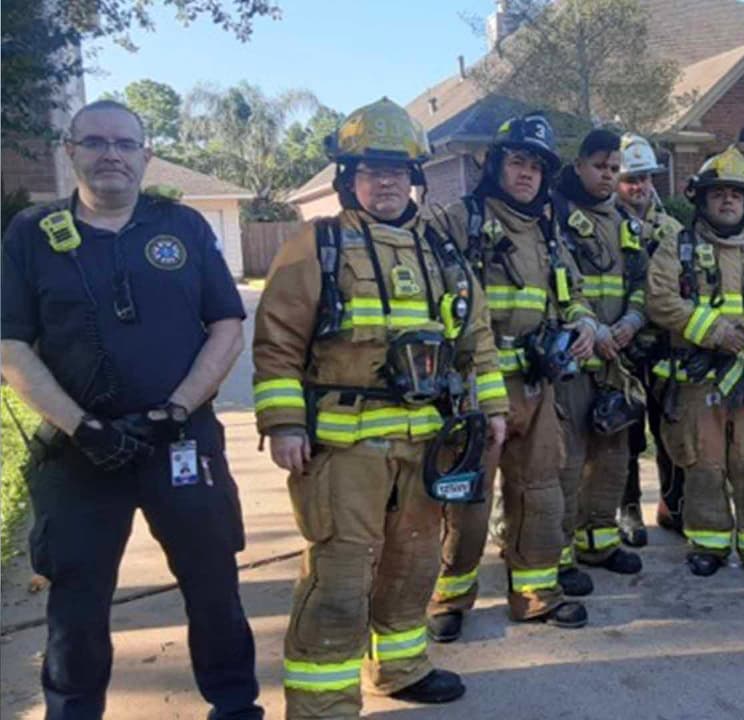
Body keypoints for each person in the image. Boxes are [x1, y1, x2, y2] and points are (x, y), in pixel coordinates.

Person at [0, 99, 262, 719]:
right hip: (78, 456)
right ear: (71, 152)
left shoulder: (184, 228)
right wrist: (82, 427)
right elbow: (10, 344)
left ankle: (234, 708)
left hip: (179, 442)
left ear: (146, 154)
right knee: (77, 603)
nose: (110, 154)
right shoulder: (32, 235)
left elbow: (226, 323)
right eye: (94, 142)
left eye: (124, 143)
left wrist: (175, 409)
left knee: (214, 588)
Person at [254, 98, 496, 716]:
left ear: (414, 178)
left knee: (413, 562)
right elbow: (277, 341)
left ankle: (401, 666)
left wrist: (491, 410)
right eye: (370, 171)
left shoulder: (441, 252)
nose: (385, 182)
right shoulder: (318, 245)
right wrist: (283, 422)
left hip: (426, 443)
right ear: (347, 178)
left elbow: (476, 340)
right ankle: (322, 704)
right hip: (344, 447)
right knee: (339, 574)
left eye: (396, 171)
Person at [425, 112, 597, 642]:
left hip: (537, 384)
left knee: (540, 491)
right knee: (469, 497)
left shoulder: (547, 228)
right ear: (496, 164)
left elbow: (571, 291)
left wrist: (584, 320)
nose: (527, 174)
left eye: (537, 167)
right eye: (518, 162)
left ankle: (535, 594)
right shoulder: (458, 221)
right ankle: (450, 598)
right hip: (478, 384)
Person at [646, 145, 744, 582]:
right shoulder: (677, 249)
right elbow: (660, 299)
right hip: (698, 381)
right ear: (703, 200)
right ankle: (708, 545)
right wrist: (715, 330)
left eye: (735, 194)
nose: (728, 200)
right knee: (705, 466)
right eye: (718, 194)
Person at [549, 128, 645, 591]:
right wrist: (595, 329)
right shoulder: (554, 215)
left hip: (616, 357)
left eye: (613, 168)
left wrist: (633, 321)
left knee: (613, 456)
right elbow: (557, 283)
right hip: (573, 356)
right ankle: (561, 553)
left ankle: (599, 541)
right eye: (598, 166)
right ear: (579, 165)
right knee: (567, 460)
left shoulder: (627, 222)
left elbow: (642, 282)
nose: (606, 176)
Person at [614, 133, 686, 544]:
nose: (638, 187)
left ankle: (674, 505)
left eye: (643, 178)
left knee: (671, 427)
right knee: (626, 431)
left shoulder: (673, 229)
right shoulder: (602, 227)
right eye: (629, 179)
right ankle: (627, 510)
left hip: (665, 343)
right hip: (620, 346)